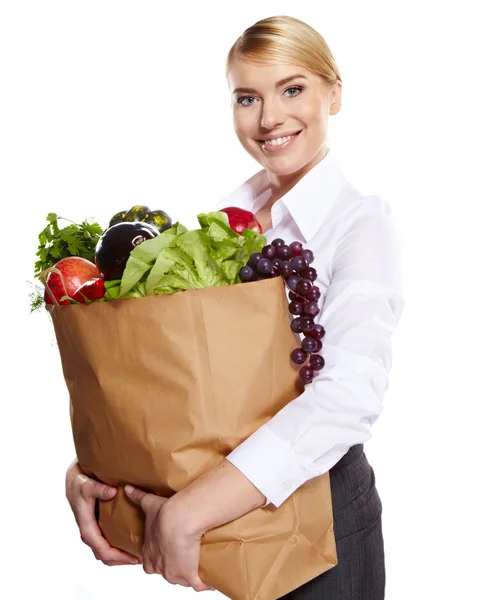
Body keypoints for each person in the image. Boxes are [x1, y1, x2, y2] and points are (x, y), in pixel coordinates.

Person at [65, 15, 405, 599]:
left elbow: (348, 396)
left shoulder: (360, 223)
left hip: (318, 520)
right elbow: (183, 382)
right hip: (235, 522)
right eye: (248, 97)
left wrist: (192, 508)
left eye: (292, 89)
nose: (270, 118)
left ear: (335, 93)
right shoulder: (225, 219)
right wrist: (99, 471)